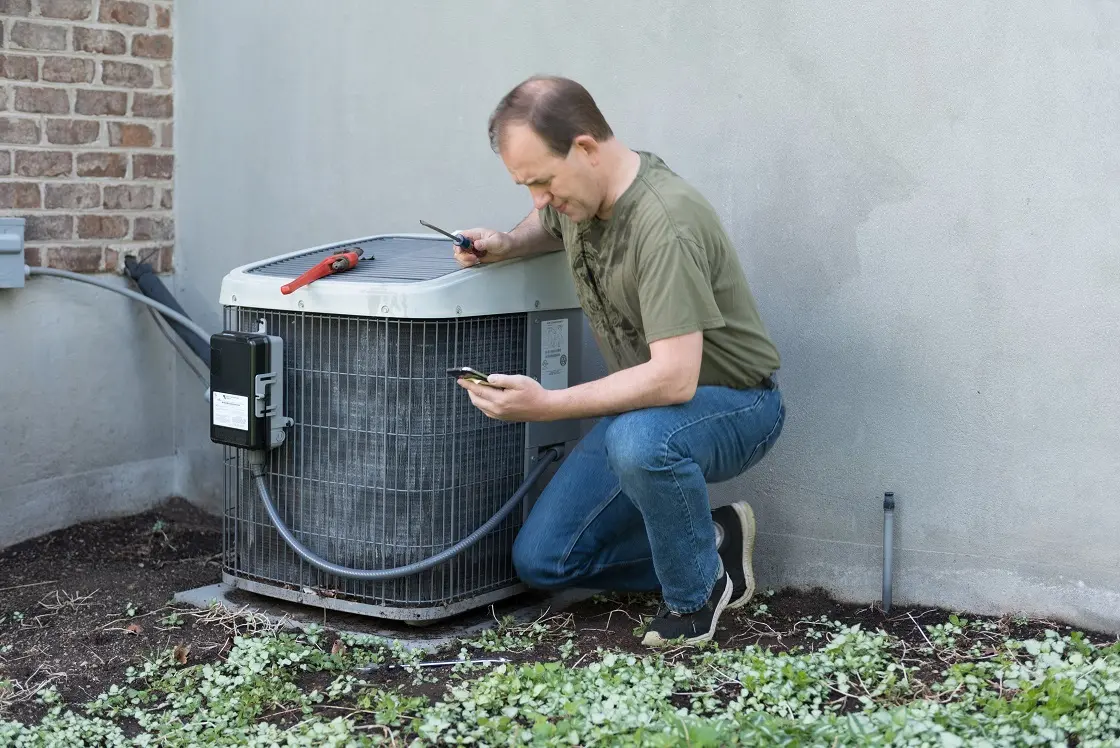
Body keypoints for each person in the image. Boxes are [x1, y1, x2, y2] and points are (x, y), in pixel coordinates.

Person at [452, 75, 785, 647]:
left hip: (735, 406)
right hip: (642, 411)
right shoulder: (580, 199)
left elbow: (675, 378)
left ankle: (693, 599)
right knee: (544, 562)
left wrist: (548, 404)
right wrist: (508, 244)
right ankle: (713, 543)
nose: (539, 199)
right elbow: (548, 223)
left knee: (639, 442)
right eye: (526, 185)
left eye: (543, 180)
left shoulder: (665, 223)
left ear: (585, 148)